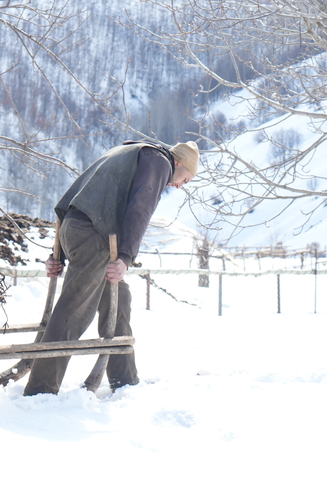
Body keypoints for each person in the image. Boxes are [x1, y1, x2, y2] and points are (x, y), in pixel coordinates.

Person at [23, 139, 199, 396]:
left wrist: (58, 253)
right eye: (187, 179)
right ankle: (40, 391)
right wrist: (126, 258)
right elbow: (140, 208)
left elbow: (73, 194)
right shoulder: (160, 163)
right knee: (74, 310)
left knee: (120, 297)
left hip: (77, 228)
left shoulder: (132, 151)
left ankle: (124, 380)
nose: (181, 185)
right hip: (94, 235)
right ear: (179, 163)